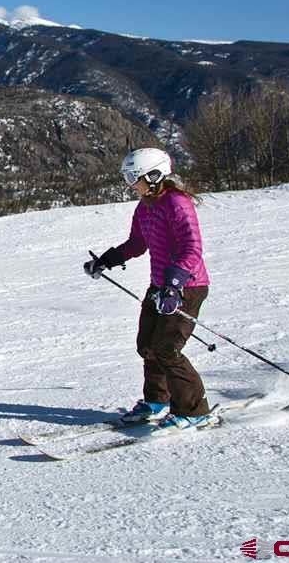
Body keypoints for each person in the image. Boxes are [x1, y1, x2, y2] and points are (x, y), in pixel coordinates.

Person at [84, 148, 213, 429]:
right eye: (127, 177)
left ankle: (194, 410)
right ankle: (156, 400)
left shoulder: (177, 203)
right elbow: (136, 244)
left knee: (167, 349)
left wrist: (175, 284)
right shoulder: (144, 207)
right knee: (147, 345)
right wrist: (105, 261)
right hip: (160, 286)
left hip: (187, 286)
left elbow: (192, 248)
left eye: (134, 177)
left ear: (154, 175)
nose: (130, 184)